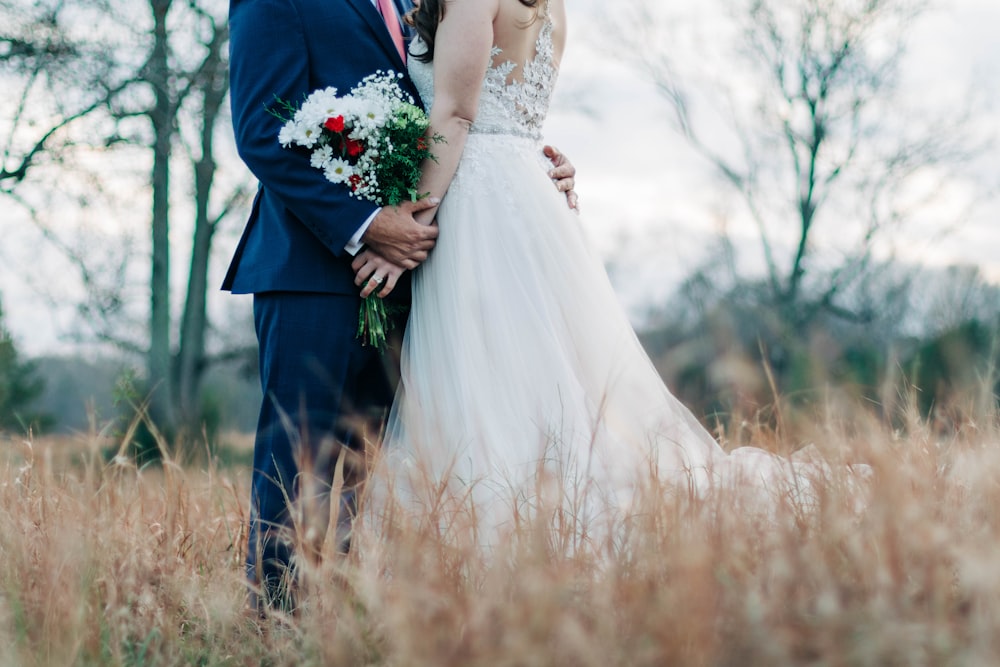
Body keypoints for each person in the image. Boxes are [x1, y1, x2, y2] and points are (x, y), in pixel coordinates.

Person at [356, 0, 859, 536]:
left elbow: (457, 113)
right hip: (524, 193)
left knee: (494, 372)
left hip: (477, 204)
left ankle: (513, 521)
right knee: (540, 375)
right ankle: (536, 514)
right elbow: (521, 114)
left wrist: (405, 229)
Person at [225, 0, 578, 612]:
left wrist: (532, 171)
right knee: (300, 451)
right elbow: (262, 130)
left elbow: (466, 103)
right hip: (314, 264)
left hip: (421, 266)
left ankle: (358, 609)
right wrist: (365, 224)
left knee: (383, 463)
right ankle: (277, 622)